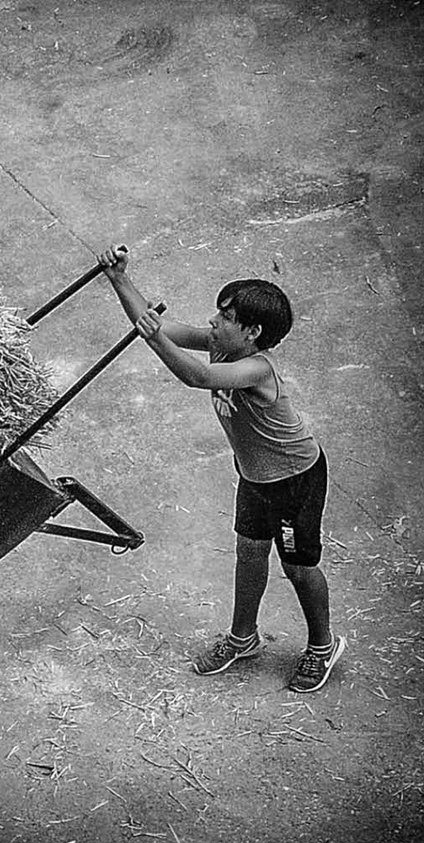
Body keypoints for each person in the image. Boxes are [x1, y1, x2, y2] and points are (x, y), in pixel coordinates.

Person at [98, 245, 344, 694]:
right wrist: (119, 279)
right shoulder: (220, 345)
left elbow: (197, 377)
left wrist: (155, 338)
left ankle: (324, 645)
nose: (214, 322)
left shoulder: (255, 368)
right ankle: (242, 638)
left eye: (226, 317)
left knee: (298, 568)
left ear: (252, 332)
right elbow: (156, 326)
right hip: (254, 478)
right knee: (250, 553)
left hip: (295, 481)